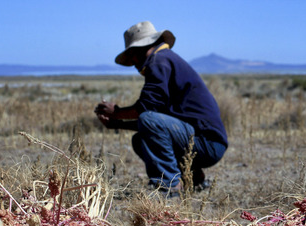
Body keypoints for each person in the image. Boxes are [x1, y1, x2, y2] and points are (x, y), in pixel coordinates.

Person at [94, 21, 227, 196]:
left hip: (207, 143)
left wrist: (117, 113)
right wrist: (116, 123)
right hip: (206, 143)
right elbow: (156, 123)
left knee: (148, 122)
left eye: (132, 54)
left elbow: (147, 112)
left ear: (141, 49)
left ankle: (168, 186)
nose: (133, 62)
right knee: (140, 140)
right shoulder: (165, 59)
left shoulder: (159, 61)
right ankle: (192, 178)